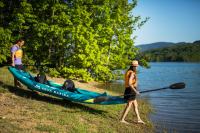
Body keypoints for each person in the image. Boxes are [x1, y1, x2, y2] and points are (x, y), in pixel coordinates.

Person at [120, 60, 145, 124]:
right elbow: (130, 83)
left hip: (129, 89)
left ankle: (139, 119)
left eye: (136, 66)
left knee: (135, 105)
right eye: (135, 66)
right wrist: (135, 91)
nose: (136, 67)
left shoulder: (128, 71)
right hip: (131, 90)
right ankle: (122, 119)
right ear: (132, 66)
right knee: (129, 105)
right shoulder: (132, 73)